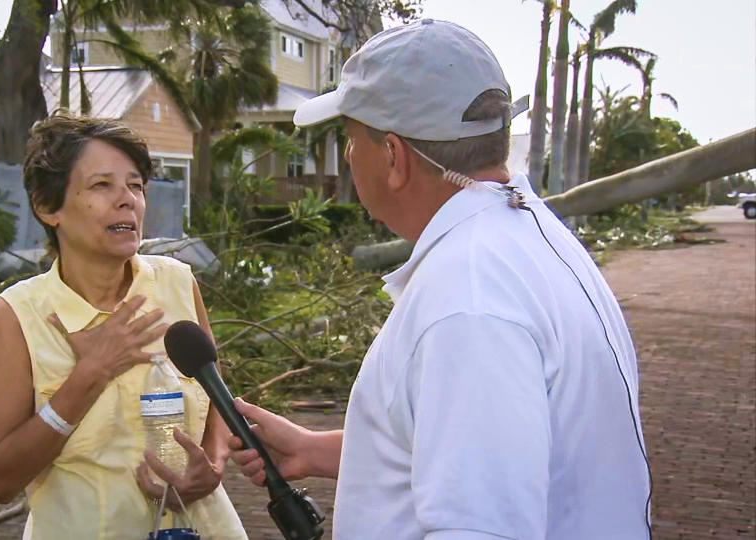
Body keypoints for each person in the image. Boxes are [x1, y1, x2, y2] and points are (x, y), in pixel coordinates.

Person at [229, 19, 652, 539]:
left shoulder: (468, 303)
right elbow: (493, 448)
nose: (348, 156)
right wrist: (317, 450)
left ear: (393, 156)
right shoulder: (530, 237)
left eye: (350, 138)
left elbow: (481, 528)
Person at [0, 113, 247, 539]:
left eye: (136, 185)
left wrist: (211, 465)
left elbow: (216, 397)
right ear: (48, 207)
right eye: (103, 185)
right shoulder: (18, 315)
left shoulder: (176, 282)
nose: (128, 200)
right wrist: (88, 375)